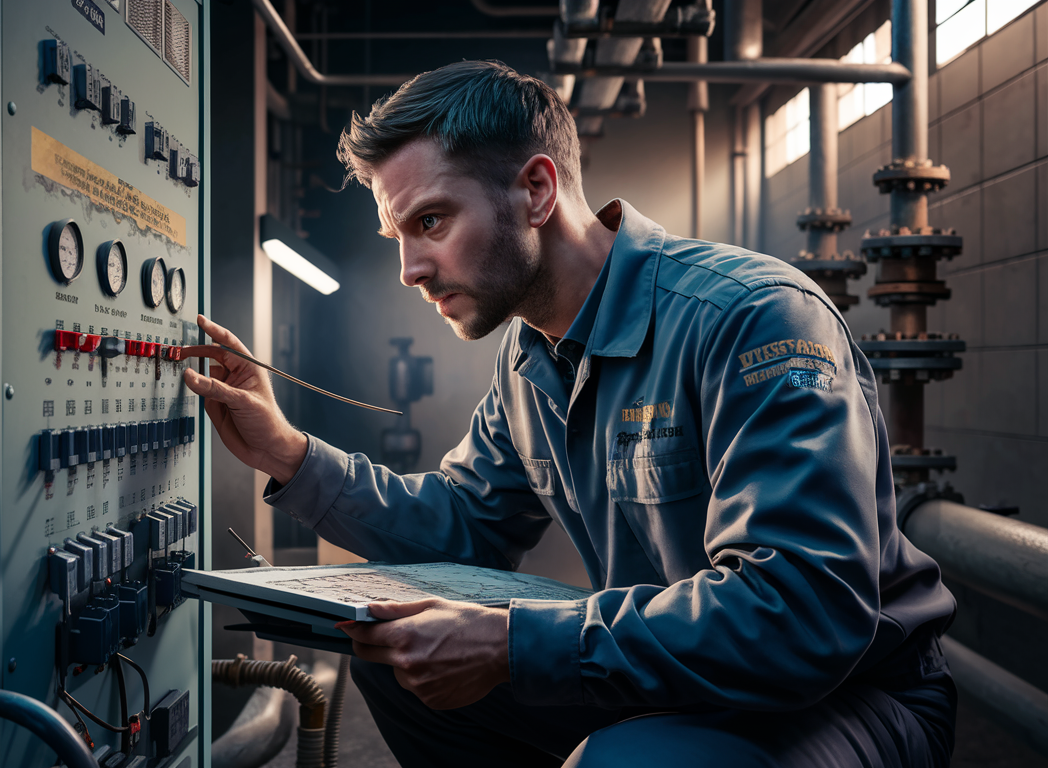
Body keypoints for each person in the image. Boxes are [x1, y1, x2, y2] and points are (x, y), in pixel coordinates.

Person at [183, 61, 957, 767]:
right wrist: (287, 453)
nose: (410, 269)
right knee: (398, 658)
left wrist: (516, 643)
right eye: (398, 235)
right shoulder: (529, 359)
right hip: (676, 676)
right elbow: (462, 522)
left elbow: (801, 613)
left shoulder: (752, 316)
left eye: (430, 222)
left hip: (847, 696)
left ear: (537, 191)